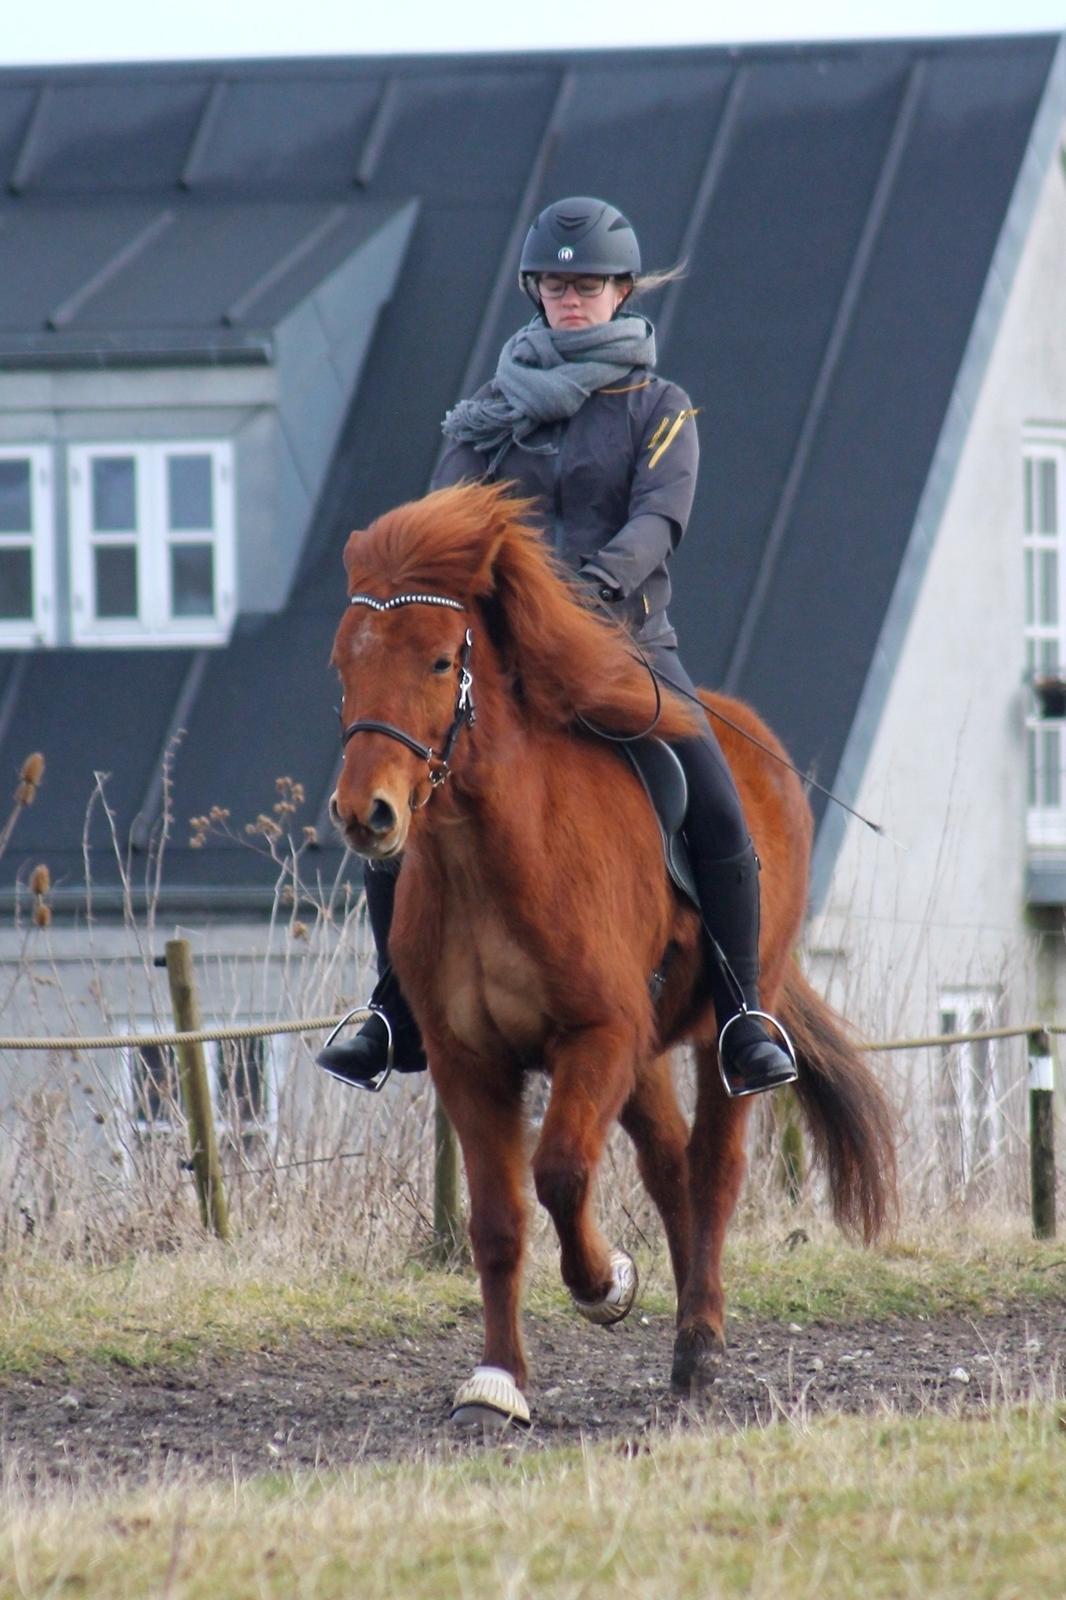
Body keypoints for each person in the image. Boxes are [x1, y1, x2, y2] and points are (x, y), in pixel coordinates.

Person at [318, 196, 797, 1099]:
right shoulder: (486, 418)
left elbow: (661, 519)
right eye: (555, 285)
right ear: (535, 293)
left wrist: (588, 592)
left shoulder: (661, 407)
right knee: (403, 794)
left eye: (586, 285)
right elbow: (436, 535)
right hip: (501, 667)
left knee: (716, 804)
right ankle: (393, 1009)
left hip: (628, 649)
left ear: (621, 290)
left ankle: (741, 1016)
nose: (570, 300)